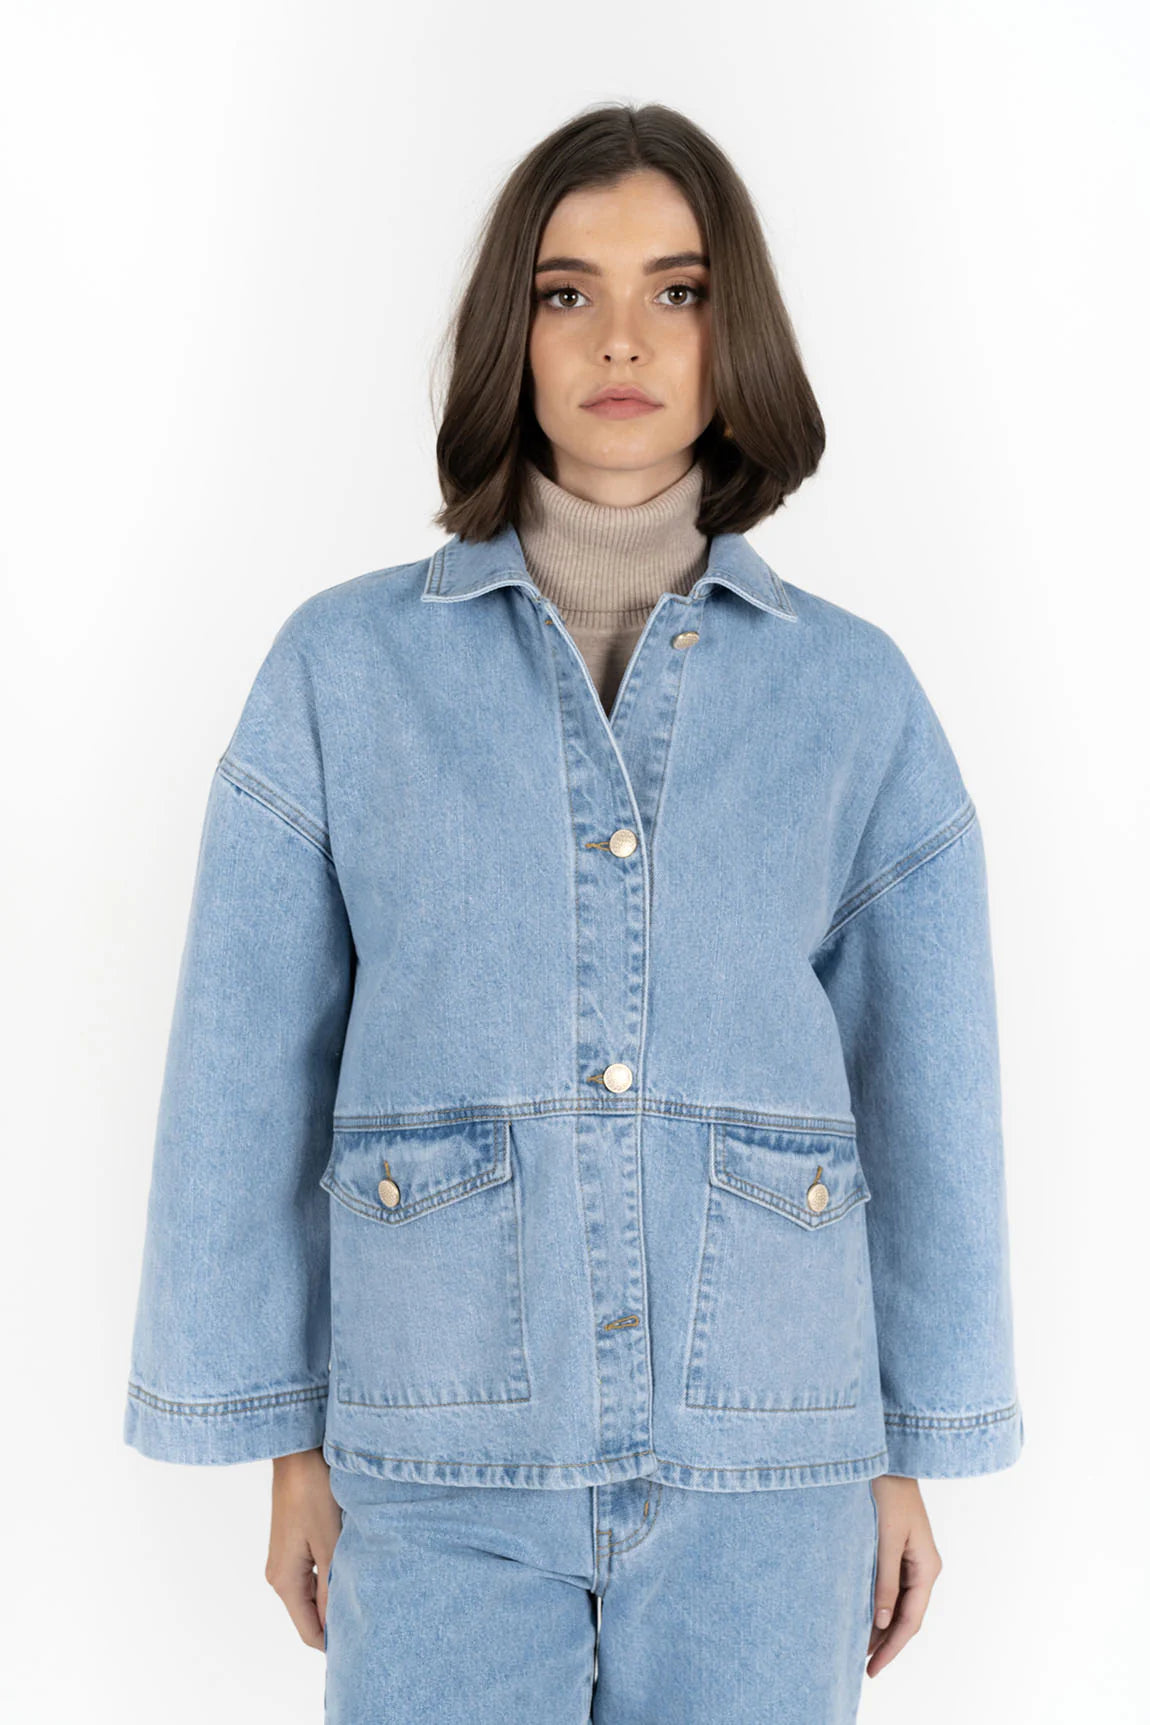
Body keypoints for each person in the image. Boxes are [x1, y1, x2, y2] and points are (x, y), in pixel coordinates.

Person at [123, 102, 1025, 1723]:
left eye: (677, 291)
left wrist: (902, 1448)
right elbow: (243, 1065)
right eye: (566, 292)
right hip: (436, 1456)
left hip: (772, 1460)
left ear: (734, 334)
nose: (622, 337)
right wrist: (289, 1441)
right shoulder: (341, 672)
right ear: (511, 332)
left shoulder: (854, 695)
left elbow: (929, 1091)